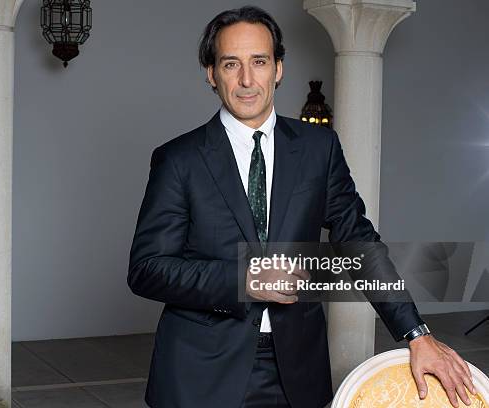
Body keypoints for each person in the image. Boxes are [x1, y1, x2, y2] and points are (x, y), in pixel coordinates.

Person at [127, 6, 476, 408]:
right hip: (200, 372)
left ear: (278, 68)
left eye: (259, 62)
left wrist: (416, 333)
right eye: (230, 64)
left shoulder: (318, 149)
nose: (246, 80)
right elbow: (147, 269)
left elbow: (358, 241)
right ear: (211, 73)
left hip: (296, 370)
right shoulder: (178, 159)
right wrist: (244, 280)